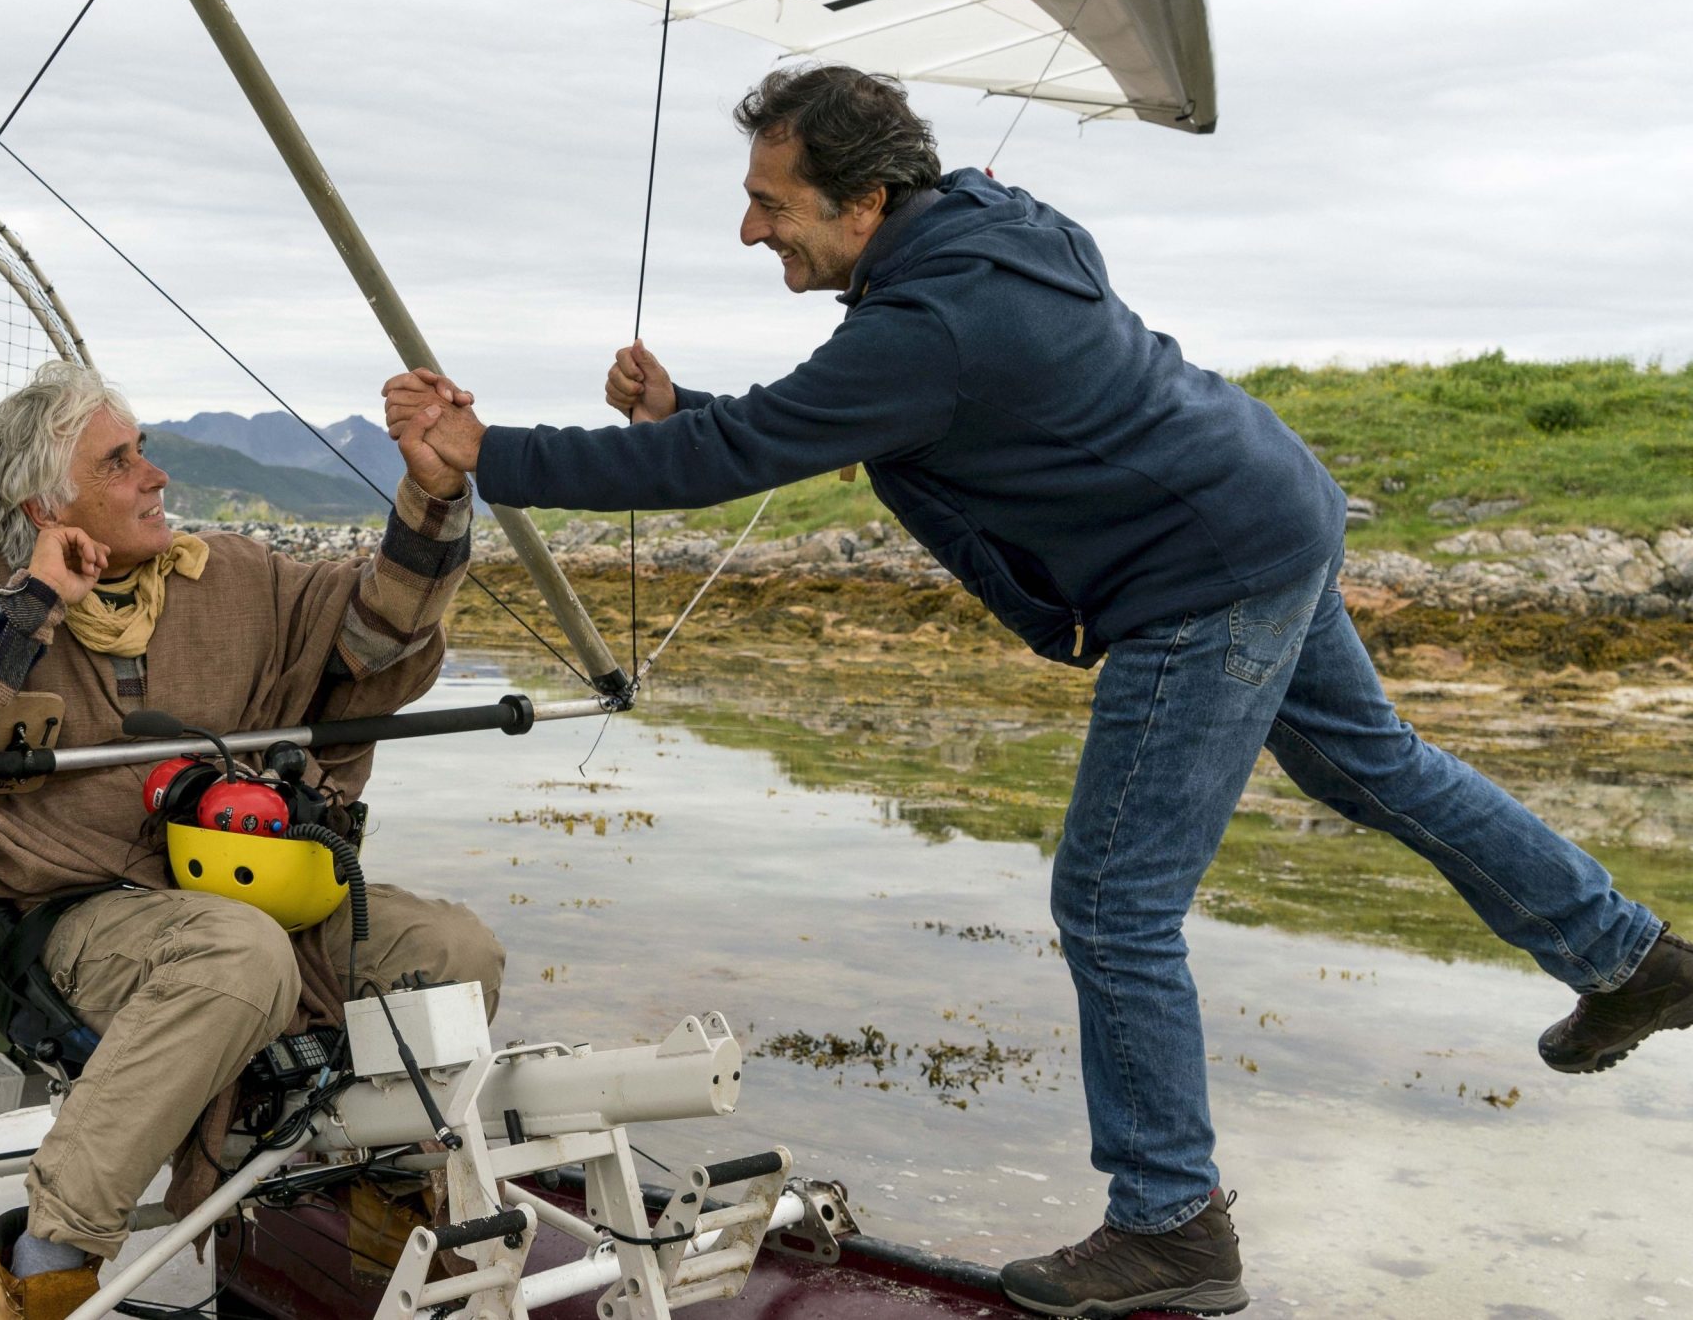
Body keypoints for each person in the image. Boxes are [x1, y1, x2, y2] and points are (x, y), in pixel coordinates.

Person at [382, 65, 1691, 1318]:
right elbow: (867, 413)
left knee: (1113, 899)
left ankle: (1171, 1221)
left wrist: (481, 451)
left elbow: (754, 447)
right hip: (1266, 503)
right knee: (1371, 768)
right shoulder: (988, 228)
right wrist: (681, 403)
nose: (747, 226)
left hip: (1205, 572)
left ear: (865, 200)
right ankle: (1632, 957)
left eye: (772, 202)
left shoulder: (930, 321)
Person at [0, 360, 503, 1320]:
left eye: (145, 452)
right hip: (70, 922)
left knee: (451, 951)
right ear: (46, 503)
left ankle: (367, 1200)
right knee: (236, 956)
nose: (154, 476)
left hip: (257, 895)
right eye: (120, 461)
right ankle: (46, 1266)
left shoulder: (232, 575)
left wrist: (433, 492)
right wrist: (32, 606)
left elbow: (378, 635)